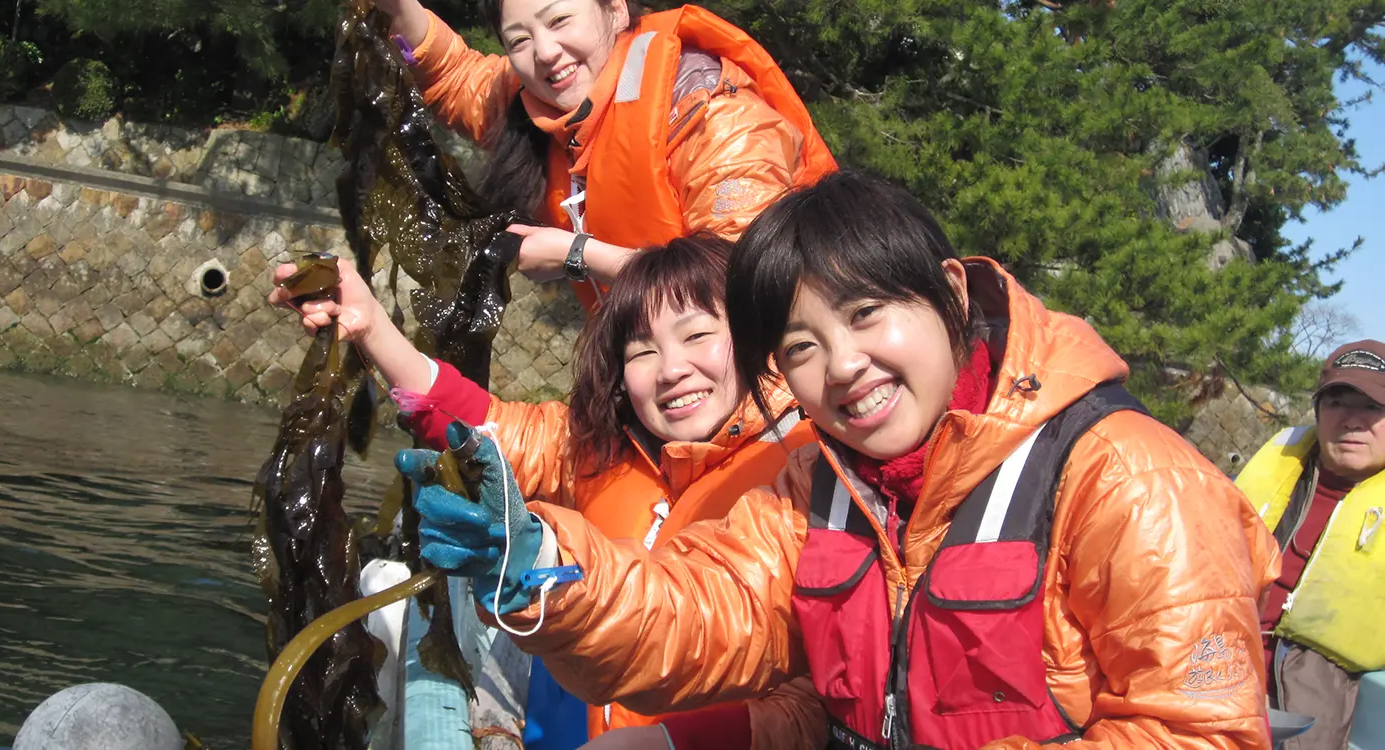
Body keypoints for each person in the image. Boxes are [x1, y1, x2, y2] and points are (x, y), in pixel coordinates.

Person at [396, 170, 1283, 749]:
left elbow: (1202, 733)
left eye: (865, 315)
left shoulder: (1127, 476)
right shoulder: (820, 480)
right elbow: (710, 614)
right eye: (801, 346)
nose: (845, 367)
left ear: (950, 291)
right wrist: (549, 568)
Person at [270, 235, 825, 749]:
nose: (671, 370)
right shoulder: (604, 445)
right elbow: (483, 426)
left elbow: (811, 702)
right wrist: (370, 326)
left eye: (698, 334)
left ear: (755, 336)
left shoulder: (807, 470)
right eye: (640, 351)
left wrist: (670, 742)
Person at [374, 0, 836, 308]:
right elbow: (454, 77)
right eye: (519, 40)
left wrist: (577, 253)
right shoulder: (542, 108)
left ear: (614, 10)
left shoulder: (710, 109)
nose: (547, 52)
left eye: (559, 21)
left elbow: (746, 284)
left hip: (768, 385)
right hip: (658, 377)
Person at [1234, 340, 1385, 750]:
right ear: (1318, 412)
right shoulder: (1281, 469)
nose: (1352, 420)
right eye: (1337, 401)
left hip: (1315, 702)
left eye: (1372, 407)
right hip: (1216, 668)